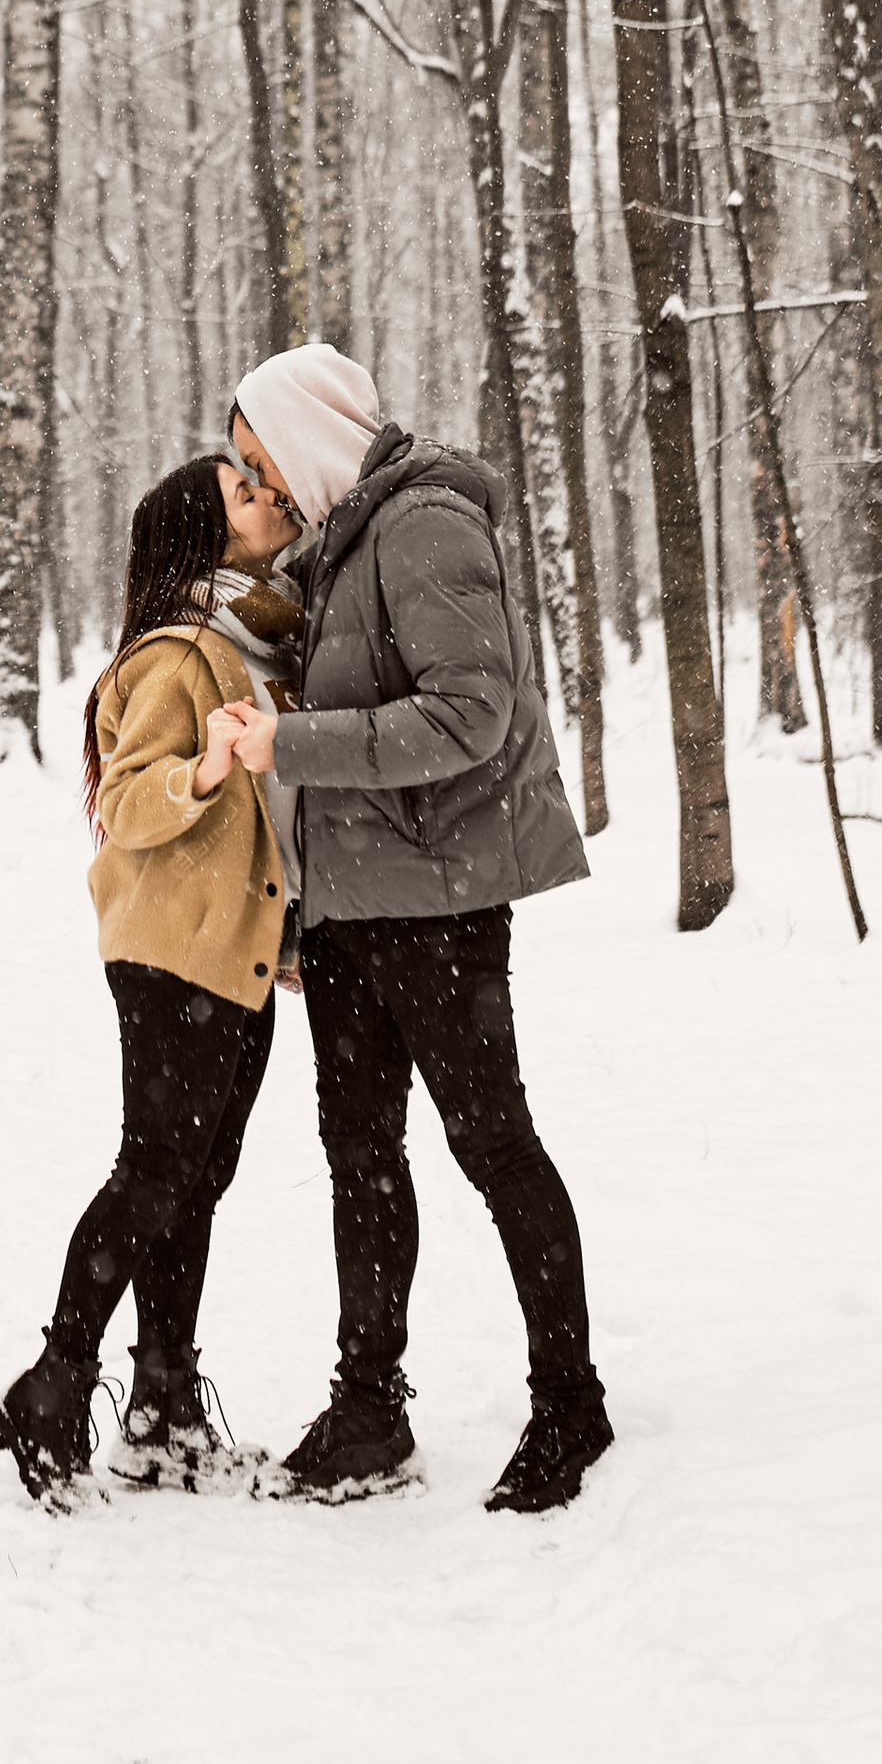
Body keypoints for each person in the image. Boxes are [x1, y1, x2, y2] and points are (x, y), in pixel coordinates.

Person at [218, 342, 612, 1515]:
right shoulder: (336, 546)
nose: (257, 483)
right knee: (360, 1160)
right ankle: (369, 1409)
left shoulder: (424, 521)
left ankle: (568, 1402)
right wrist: (307, 908)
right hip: (352, 916)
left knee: (492, 1146)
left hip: (438, 912)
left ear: (305, 438)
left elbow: (469, 714)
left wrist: (284, 745)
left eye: (259, 458)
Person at [0, 453, 303, 1505]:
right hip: (171, 954)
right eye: (242, 493)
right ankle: (56, 1380)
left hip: (232, 950)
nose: (267, 496)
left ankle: (161, 1405)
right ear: (202, 541)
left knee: (191, 1181)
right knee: (155, 1172)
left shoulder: (254, 639)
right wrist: (203, 770)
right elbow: (124, 805)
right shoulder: (180, 655)